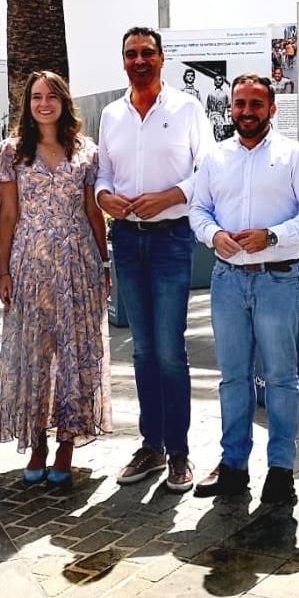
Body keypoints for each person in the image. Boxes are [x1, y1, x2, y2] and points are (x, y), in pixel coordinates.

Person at [188, 74, 299, 505]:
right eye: (239, 104)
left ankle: (282, 471)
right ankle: (233, 467)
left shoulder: (293, 156)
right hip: (228, 281)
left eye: (255, 104)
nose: (246, 111)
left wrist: (272, 236)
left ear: (272, 109)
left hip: (277, 280)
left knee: (282, 380)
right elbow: (198, 209)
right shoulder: (215, 157)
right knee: (233, 379)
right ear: (230, 108)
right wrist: (214, 236)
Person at [96, 26, 214, 493]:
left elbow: (206, 170)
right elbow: (103, 171)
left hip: (170, 240)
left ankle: (180, 452)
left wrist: (167, 198)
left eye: (147, 53)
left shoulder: (187, 109)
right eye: (131, 54)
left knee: (170, 350)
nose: (139, 60)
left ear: (162, 59)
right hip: (127, 240)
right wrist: (104, 196)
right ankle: (151, 446)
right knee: (142, 351)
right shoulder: (111, 114)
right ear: (123, 60)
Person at [0, 71, 111, 489]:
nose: (44, 104)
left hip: (77, 261)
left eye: (51, 97)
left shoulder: (87, 152)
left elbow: (94, 211)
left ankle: (66, 442)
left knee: (74, 351)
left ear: (64, 101)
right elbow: (7, 216)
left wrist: (104, 262)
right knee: (33, 353)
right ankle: (37, 442)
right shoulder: (12, 152)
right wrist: (3, 269)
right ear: (28, 104)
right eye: (36, 97)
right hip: (29, 263)